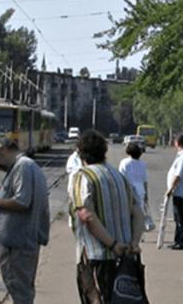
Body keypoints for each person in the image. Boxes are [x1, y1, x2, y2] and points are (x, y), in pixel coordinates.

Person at [69, 130, 144, 303]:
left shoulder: (83, 176)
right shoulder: (120, 177)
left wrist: (113, 244)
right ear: (104, 152)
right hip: (126, 256)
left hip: (97, 257)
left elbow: (86, 215)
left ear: (81, 154)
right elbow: (138, 213)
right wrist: (134, 243)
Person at [0, 137, 50, 304]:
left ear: (3, 150)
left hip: (19, 243)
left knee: (21, 292)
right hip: (21, 241)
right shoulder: (25, 166)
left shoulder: (23, 166)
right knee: (20, 290)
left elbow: (22, 202)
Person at [165, 134, 183, 250]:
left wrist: (170, 189)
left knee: (181, 218)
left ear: (178, 142)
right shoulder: (182, 155)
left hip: (181, 191)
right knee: (177, 218)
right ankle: (178, 240)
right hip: (178, 191)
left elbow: (178, 175)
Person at [119, 142, 152, 231]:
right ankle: (139, 232)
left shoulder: (124, 162)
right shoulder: (143, 164)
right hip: (140, 190)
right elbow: (145, 181)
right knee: (139, 213)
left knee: (128, 213)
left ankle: (128, 231)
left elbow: (121, 178)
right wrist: (146, 194)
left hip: (128, 190)